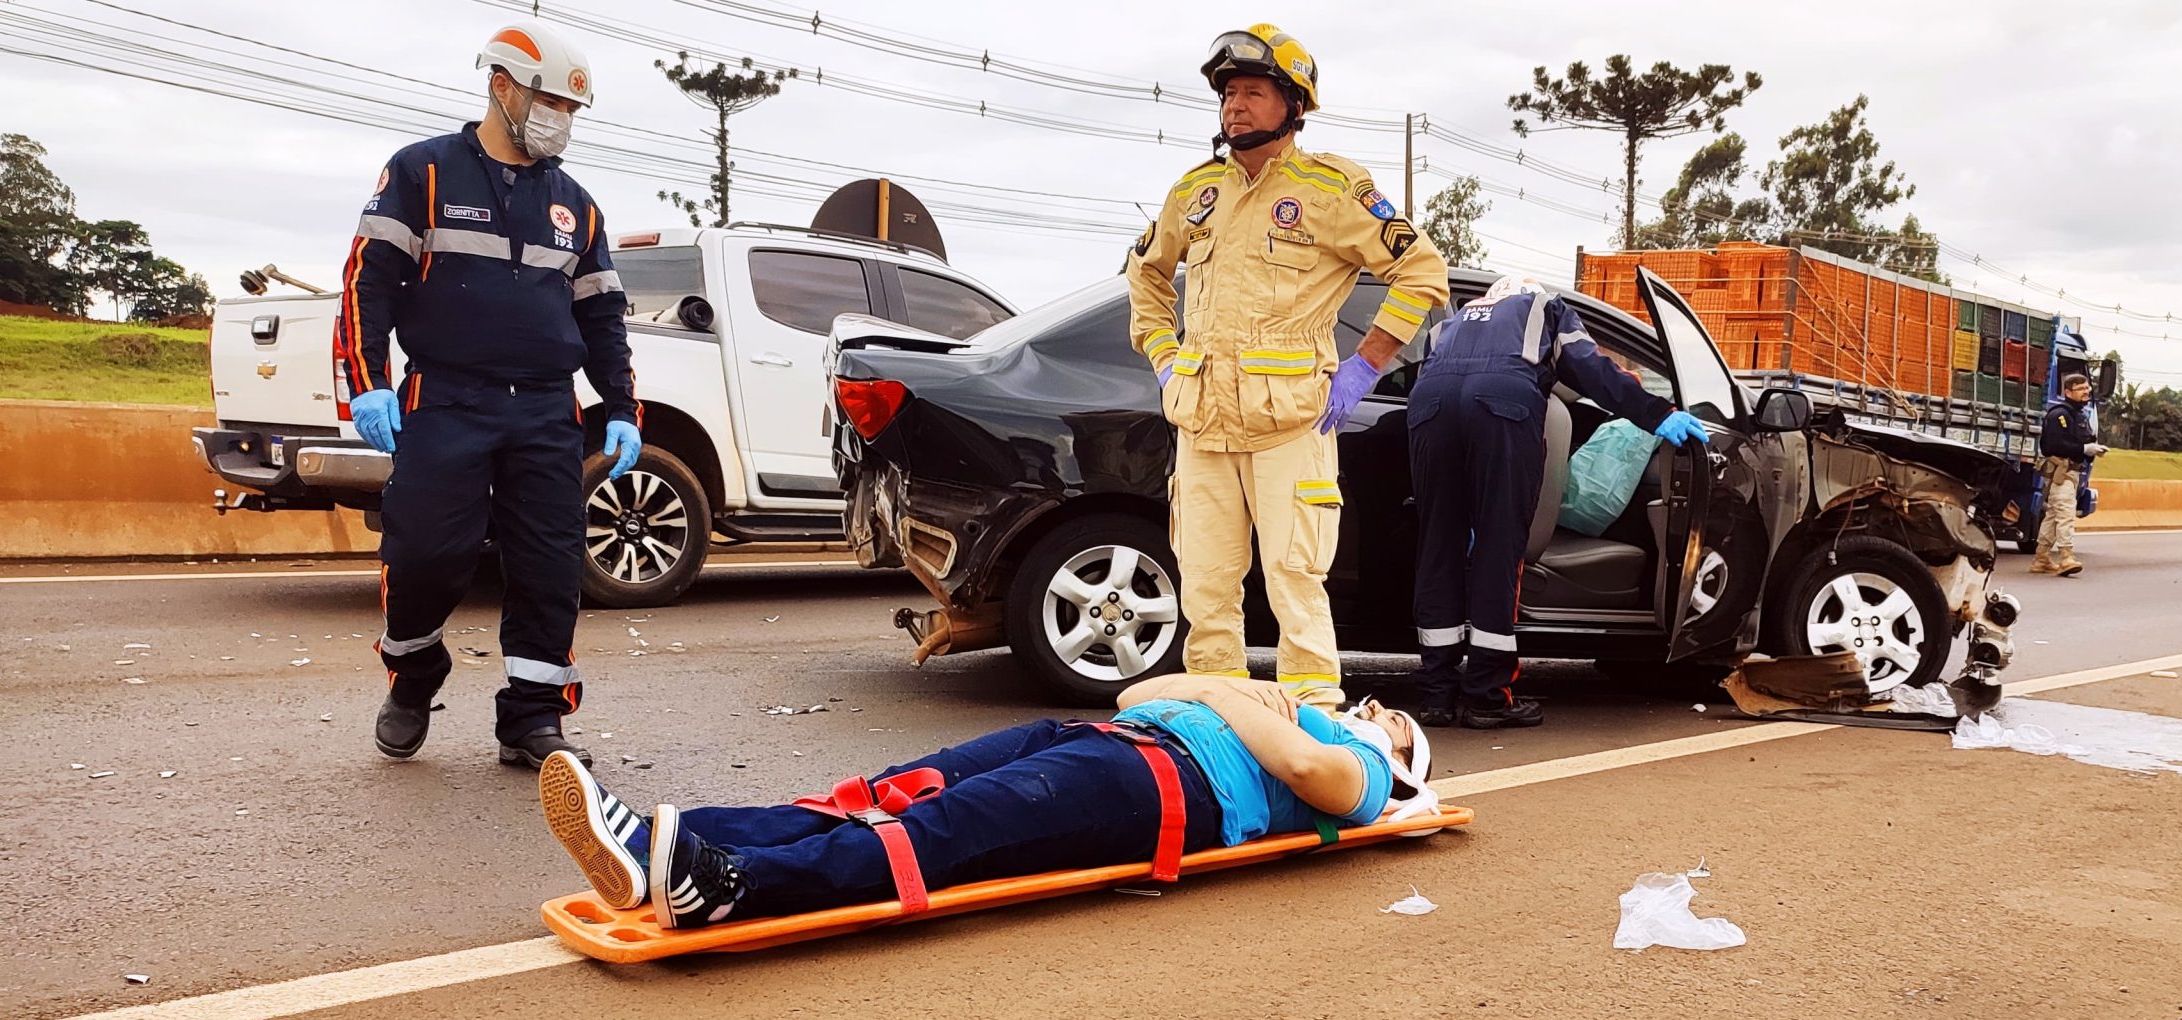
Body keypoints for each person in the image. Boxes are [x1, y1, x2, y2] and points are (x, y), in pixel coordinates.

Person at [538, 677, 1437, 929]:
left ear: (1403, 767)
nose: (1372, 711)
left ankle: (736, 883)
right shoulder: (1296, 708)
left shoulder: (1358, 774)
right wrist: (1217, 686)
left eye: (1390, 721)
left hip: (1165, 789)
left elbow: (1303, 771)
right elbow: (1136, 694)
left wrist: (1230, 697)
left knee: (942, 830)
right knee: (887, 791)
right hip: (1109, 738)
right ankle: (664, 839)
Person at [340, 20, 643, 768]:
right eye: (551, 102)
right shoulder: (423, 173)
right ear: (501, 86)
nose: (561, 121)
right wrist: (368, 384)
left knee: (549, 564)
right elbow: (366, 283)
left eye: (573, 111)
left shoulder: (578, 205)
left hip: (545, 410)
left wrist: (621, 407)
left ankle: (533, 717)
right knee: (423, 556)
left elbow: (602, 314)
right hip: (445, 400)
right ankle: (412, 677)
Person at [1127, 25, 1451, 713]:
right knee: (1207, 589)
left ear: (1293, 105)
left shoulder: (1331, 188)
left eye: (1252, 92)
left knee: (1294, 581)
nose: (1235, 107)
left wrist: (1367, 364)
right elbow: (1145, 274)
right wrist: (1163, 358)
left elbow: (1422, 271)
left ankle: (1315, 726)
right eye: (1228, 94)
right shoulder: (1196, 193)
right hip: (1204, 424)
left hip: (1289, 423)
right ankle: (1215, 724)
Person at [1404, 276, 1710, 727]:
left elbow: (1422, 379)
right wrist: (1657, 413)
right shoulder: (1544, 306)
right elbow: (1592, 370)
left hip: (1429, 409)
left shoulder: (1450, 325)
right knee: (1497, 550)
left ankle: (1436, 696)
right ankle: (1488, 696)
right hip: (1502, 407)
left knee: (1438, 549)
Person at [2032, 372, 2105, 577]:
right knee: (2064, 514)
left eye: (2087, 388)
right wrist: (2084, 449)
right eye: (2081, 389)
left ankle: (2041, 558)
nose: (2086, 392)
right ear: (2067, 391)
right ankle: (2066, 557)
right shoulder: (2060, 415)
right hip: (2060, 473)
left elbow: (2083, 440)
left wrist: (2092, 449)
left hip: (2072, 472)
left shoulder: (2079, 415)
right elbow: (2054, 445)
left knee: (2053, 516)